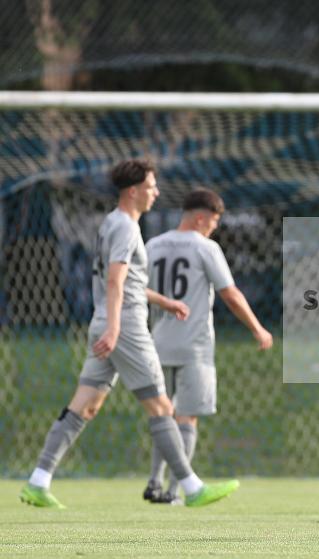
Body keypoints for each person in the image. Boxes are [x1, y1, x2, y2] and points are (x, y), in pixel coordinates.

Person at [19, 159, 239, 509]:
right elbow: (115, 281)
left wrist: (164, 302)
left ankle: (38, 481)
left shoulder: (111, 223)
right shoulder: (126, 228)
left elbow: (128, 281)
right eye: (151, 187)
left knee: (85, 405)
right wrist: (116, 328)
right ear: (134, 191)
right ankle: (192, 488)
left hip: (105, 321)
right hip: (126, 327)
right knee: (161, 406)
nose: (156, 193)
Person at [142, 188, 273, 504]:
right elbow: (231, 294)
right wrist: (257, 328)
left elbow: (136, 288)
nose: (214, 228)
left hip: (158, 343)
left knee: (163, 416)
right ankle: (174, 491)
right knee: (186, 417)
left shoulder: (153, 245)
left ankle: (154, 482)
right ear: (201, 218)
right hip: (193, 347)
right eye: (213, 222)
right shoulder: (205, 248)